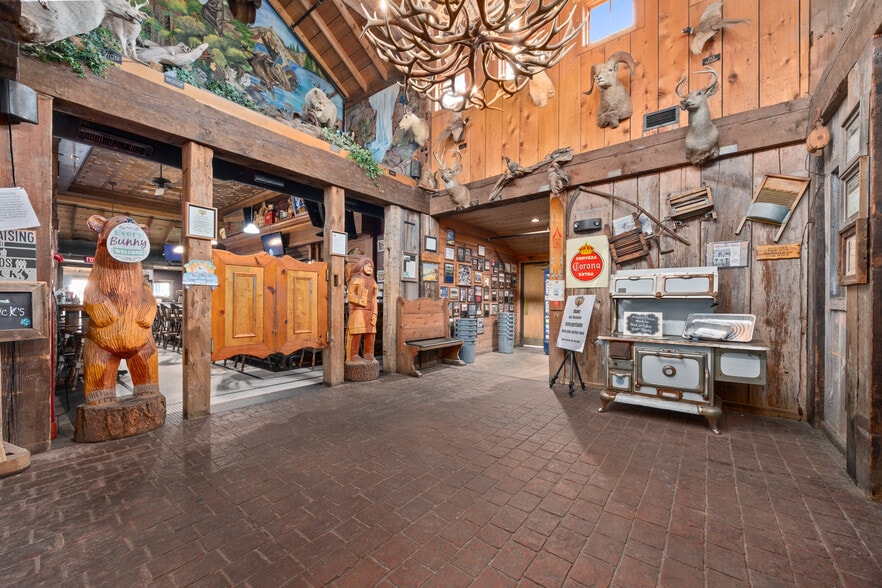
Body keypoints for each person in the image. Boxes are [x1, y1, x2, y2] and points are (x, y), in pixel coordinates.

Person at [345, 255, 378, 363]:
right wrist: (360, 301)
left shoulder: (373, 282)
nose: (369, 268)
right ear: (361, 266)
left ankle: (368, 354)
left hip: (370, 311)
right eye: (367, 265)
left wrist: (375, 313)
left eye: (371, 267)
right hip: (357, 310)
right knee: (357, 332)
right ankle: (353, 355)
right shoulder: (356, 279)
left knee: (370, 333)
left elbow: (374, 299)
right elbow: (350, 295)